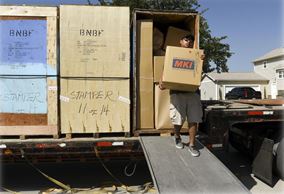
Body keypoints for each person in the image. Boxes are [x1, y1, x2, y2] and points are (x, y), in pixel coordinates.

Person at [159, 34, 204, 157]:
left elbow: (198, 72)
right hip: (177, 93)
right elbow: (165, 71)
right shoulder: (172, 55)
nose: (188, 42)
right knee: (178, 119)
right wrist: (161, 82)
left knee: (194, 119)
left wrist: (202, 60)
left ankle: (192, 145)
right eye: (186, 40)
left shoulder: (197, 56)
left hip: (192, 93)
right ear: (180, 41)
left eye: (190, 40)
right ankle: (177, 136)